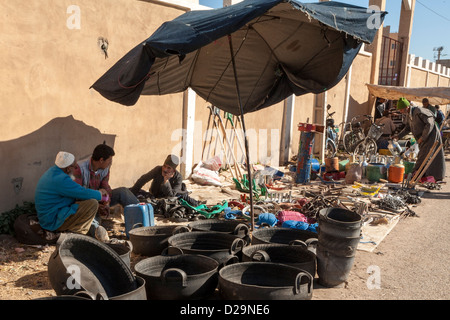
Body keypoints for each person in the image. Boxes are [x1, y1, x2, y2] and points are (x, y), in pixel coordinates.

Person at [34, 151, 110, 241]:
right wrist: (100, 195)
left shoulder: (53, 172)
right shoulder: (61, 179)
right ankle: (77, 234)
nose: (76, 169)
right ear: (68, 169)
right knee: (92, 204)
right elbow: (81, 192)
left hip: (50, 215)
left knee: (87, 204)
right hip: (52, 220)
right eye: (74, 167)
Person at [73, 143, 139, 224]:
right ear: (101, 160)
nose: (110, 163)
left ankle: (140, 217)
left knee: (123, 192)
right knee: (95, 223)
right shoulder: (79, 168)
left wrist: (107, 202)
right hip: (86, 203)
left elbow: (105, 187)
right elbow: (77, 194)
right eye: (109, 160)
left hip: (99, 199)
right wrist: (97, 205)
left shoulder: (105, 169)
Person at [393, 98, 446, 181]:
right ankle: (425, 175)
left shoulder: (419, 111)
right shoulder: (408, 115)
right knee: (425, 156)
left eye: (401, 109)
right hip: (422, 137)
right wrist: (398, 136)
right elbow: (407, 128)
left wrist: (422, 137)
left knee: (423, 156)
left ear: (407, 107)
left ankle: (415, 175)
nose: (400, 111)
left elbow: (430, 123)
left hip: (430, 135)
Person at [129, 154, 200, 207]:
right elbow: (143, 179)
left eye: (169, 168)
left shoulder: (178, 177)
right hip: (155, 195)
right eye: (164, 166)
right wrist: (131, 194)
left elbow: (171, 196)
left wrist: (166, 180)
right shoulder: (157, 169)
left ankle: (198, 204)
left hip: (170, 197)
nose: (165, 169)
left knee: (183, 196)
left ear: (173, 170)